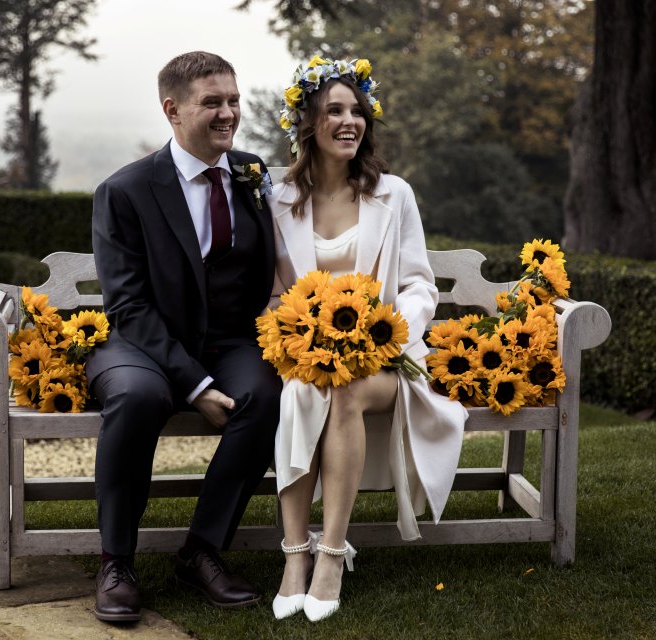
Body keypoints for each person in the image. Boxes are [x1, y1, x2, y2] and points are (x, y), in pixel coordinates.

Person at [266, 56, 468, 622]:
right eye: (334, 110)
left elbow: (418, 284)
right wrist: (298, 340)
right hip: (306, 354)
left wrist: (388, 337)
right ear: (307, 123)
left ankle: (330, 554)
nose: (349, 121)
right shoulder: (277, 199)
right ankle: (293, 555)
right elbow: (276, 292)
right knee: (304, 392)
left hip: (385, 358)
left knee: (347, 389)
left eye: (357, 111)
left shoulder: (393, 194)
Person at [86, 51, 281, 623]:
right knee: (139, 397)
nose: (229, 113)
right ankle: (116, 561)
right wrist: (194, 385)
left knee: (270, 394)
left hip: (227, 340)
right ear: (172, 110)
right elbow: (127, 305)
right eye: (212, 102)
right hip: (139, 343)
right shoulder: (124, 191)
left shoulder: (250, 173)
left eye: (234, 101)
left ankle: (202, 551)